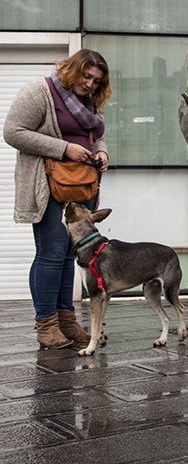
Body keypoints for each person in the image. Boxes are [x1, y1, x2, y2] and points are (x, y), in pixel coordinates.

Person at [3, 49, 111, 348]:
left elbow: (97, 134)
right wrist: (64, 148)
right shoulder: (41, 91)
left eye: (96, 80)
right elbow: (13, 132)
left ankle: (67, 321)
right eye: (85, 76)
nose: (90, 84)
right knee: (50, 253)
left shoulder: (91, 102)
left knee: (69, 255)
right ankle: (46, 325)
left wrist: (102, 151)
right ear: (71, 69)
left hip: (81, 186)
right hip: (48, 184)